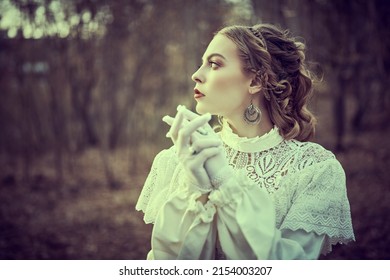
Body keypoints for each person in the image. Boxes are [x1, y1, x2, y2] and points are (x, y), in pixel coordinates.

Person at [135, 23, 355, 259]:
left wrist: (225, 182)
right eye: (203, 63)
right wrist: (196, 189)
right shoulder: (176, 161)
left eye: (214, 64)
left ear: (255, 81)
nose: (196, 74)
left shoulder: (316, 170)